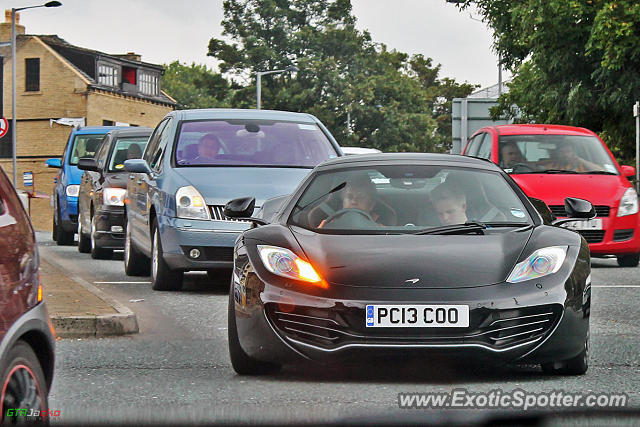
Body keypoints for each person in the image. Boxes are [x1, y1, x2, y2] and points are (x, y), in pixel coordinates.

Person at [318, 175, 383, 228]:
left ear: (371, 205)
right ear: (343, 201)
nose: (354, 201)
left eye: (361, 197)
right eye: (349, 197)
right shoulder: (329, 224)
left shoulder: (380, 229)